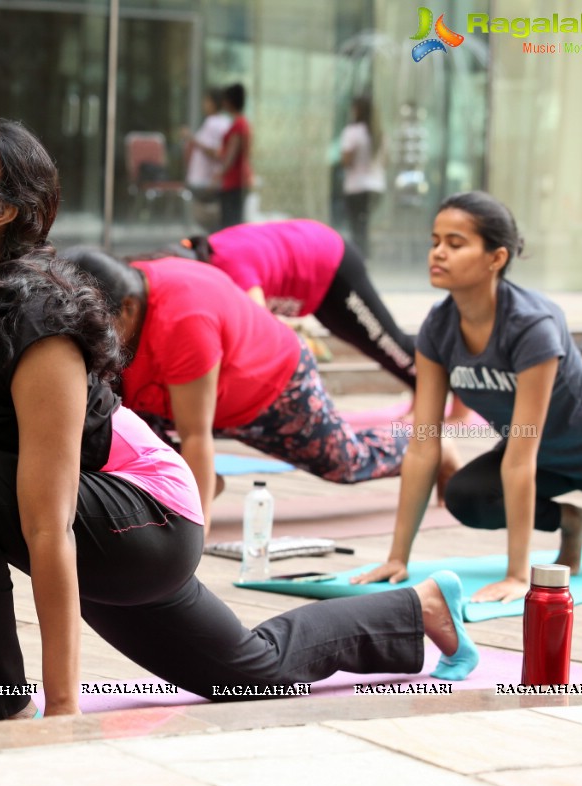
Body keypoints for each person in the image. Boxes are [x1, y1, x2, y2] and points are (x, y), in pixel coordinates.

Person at [0, 118, 479, 730]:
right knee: (253, 675)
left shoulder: (38, 319)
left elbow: (48, 518)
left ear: (2, 210)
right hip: (70, 530)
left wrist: (64, 711)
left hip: (144, 515)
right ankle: (417, 609)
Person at [352, 192, 582, 603]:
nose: (438, 253)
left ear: (496, 258)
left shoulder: (531, 326)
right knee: (467, 497)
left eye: (456, 244)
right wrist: (397, 557)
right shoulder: (437, 328)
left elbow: (521, 454)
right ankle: (571, 520)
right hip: (543, 459)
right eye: (435, 241)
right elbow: (423, 443)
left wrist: (517, 577)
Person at [68, 247, 412, 538]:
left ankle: (423, 446)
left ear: (128, 308)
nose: (94, 341)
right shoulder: (121, 285)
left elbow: (196, 436)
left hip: (272, 386)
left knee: (345, 462)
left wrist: (191, 539)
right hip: (171, 391)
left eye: (100, 329)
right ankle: (195, 482)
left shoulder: (183, 321)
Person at [187, 219, 416, 390]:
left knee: (388, 343)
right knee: (374, 345)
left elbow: (261, 336)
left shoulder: (231, 268)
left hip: (330, 263)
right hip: (312, 286)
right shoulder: (204, 261)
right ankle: (426, 399)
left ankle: (448, 398)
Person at [340, 96, 385, 258]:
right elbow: (386, 161)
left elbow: (346, 160)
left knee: (356, 225)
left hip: (356, 186)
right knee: (364, 223)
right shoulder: (379, 134)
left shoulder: (352, 132)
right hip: (377, 186)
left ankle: (359, 256)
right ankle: (365, 255)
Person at [182, 89, 231, 233]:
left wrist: (192, 140)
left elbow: (217, 153)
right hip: (204, 179)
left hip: (207, 180)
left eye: (206, 101)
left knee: (207, 219)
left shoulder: (217, 124)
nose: (204, 104)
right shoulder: (215, 122)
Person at [213, 83, 252, 231]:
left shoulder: (238, 125)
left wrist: (220, 174)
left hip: (234, 180)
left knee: (230, 224)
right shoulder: (242, 123)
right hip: (238, 178)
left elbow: (231, 155)